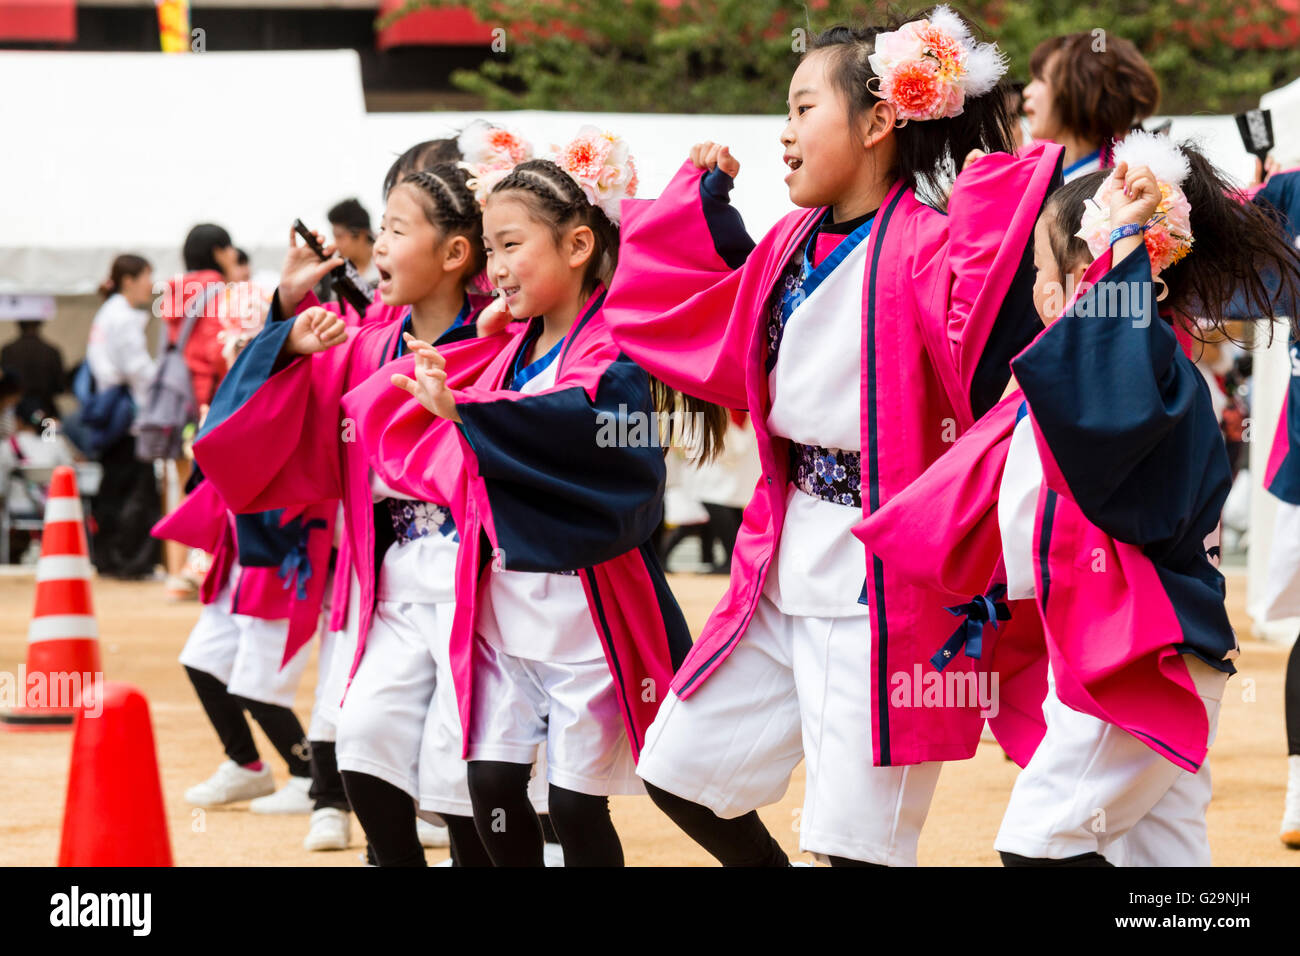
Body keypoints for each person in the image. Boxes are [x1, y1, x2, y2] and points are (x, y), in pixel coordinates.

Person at [602, 7, 1061, 866]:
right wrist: (701, 207)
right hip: (783, 553)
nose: (784, 132)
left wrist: (994, 177)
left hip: (888, 576)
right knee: (678, 770)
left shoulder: (933, 247)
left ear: (883, 120)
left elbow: (997, 321)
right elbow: (698, 312)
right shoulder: (788, 241)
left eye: (803, 108)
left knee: (855, 848)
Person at [858, 135, 1300, 864]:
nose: (1036, 291)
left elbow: (1107, 375)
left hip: (1138, 657)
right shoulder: (1112, 376)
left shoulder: (1146, 372)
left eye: (1050, 272)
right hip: (1125, 648)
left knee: (1039, 846)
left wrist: (1123, 242)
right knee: (1165, 869)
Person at [354, 138, 719, 866]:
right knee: (489, 784)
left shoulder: (613, 352)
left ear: (579, 244)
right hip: (507, 614)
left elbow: (588, 431)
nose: (494, 269)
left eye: (510, 245)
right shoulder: (506, 346)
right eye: (489, 248)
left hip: (587, 624)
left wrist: (469, 413)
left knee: (579, 811)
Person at [194, 161, 536, 866]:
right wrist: (286, 338)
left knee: (460, 771)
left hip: (483, 584)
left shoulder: (509, 341)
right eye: (379, 229)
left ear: (454, 254)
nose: (377, 247)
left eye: (395, 230)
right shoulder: (366, 345)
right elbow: (260, 435)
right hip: (391, 579)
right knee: (365, 741)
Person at [158, 223, 241, 599]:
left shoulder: (173, 290)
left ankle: (176, 574)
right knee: (212, 486)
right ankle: (201, 569)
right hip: (208, 402)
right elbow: (214, 350)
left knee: (179, 486)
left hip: (177, 403)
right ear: (218, 251)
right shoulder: (217, 292)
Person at [85, 254, 161, 578]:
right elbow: (139, 370)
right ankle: (129, 559)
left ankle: (109, 557)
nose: (150, 284)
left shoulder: (108, 312)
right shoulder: (124, 316)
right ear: (129, 280)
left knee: (113, 487)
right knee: (135, 488)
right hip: (128, 415)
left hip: (110, 410)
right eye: (147, 276)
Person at [1022, 31, 1160, 180]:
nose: (1026, 91)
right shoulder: (1027, 165)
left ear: (1077, 91)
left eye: (1040, 79)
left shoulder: (1125, 182)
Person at [1, 313, 66, 416]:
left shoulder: (8, 351)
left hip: (17, 414)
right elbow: (60, 386)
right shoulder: (52, 351)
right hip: (45, 410)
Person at [328, 198, 378, 284]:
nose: (335, 244)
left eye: (339, 236)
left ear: (361, 235)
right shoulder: (333, 271)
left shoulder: (385, 266)